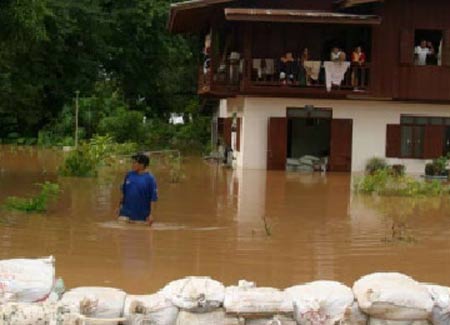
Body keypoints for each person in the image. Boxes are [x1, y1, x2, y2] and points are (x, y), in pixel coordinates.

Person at [118, 153, 158, 226]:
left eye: (134, 162)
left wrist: (151, 215)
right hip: (125, 214)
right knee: (121, 234)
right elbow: (123, 193)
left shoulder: (150, 179)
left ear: (142, 164)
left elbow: (153, 199)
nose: (132, 164)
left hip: (141, 217)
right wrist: (119, 207)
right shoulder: (129, 175)